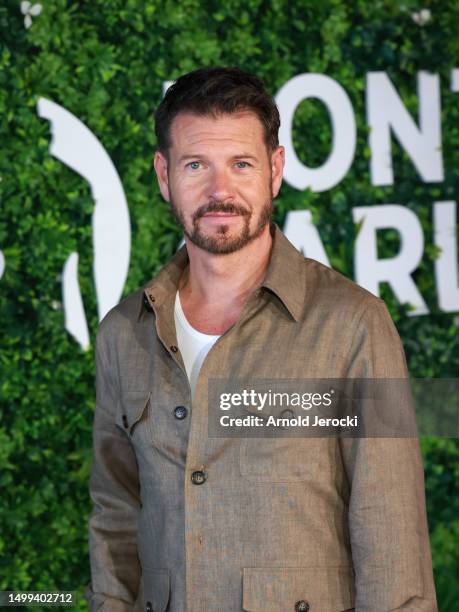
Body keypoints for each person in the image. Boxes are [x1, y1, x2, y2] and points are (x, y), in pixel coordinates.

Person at [84, 67, 438, 611]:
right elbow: (115, 519)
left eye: (241, 164)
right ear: (164, 175)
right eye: (196, 165)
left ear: (275, 170)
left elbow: (393, 543)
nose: (219, 191)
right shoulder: (121, 335)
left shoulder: (354, 325)